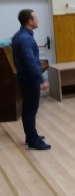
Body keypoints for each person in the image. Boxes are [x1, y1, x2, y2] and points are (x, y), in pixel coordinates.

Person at [11, 9, 50, 150]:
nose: (38, 20)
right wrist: (42, 79)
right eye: (36, 18)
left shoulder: (20, 35)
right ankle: (33, 140)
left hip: (25, 78)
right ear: (30, 21)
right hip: (29, 79)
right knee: (30, 110)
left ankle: (31, 135)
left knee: (28, 108)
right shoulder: (25, 39)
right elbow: (30, 61)